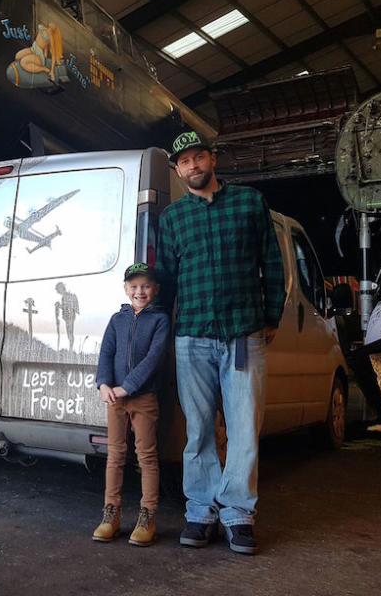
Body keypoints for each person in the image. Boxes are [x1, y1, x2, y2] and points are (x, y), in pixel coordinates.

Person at [155, 130, 286, 555]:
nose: (192, 166)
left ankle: (238, 514)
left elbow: (271, 261)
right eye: (184, 161)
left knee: (244, 426)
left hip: (243, 336)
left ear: (212, 159)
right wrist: (162, 332)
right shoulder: (173, 218)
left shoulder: (250, 202)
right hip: (191, 337)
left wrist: (271, 316)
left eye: (198, 157)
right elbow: (167, 282)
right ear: (177, 169)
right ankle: (200, 512)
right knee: (198, 429)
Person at [92, 263, 170, 547]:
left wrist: (128, 386)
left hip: (143, 398)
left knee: (146, 457)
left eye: (146, 286)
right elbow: (106, 353)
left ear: (155, 289)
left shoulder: (160, 320)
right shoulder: (117, 319)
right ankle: (110, 516)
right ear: (126, 289)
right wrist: (104, 383)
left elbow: (154, 358)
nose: (140, 291)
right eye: (134, 286)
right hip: (114, 399)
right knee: (115, 456)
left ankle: (147, 516)